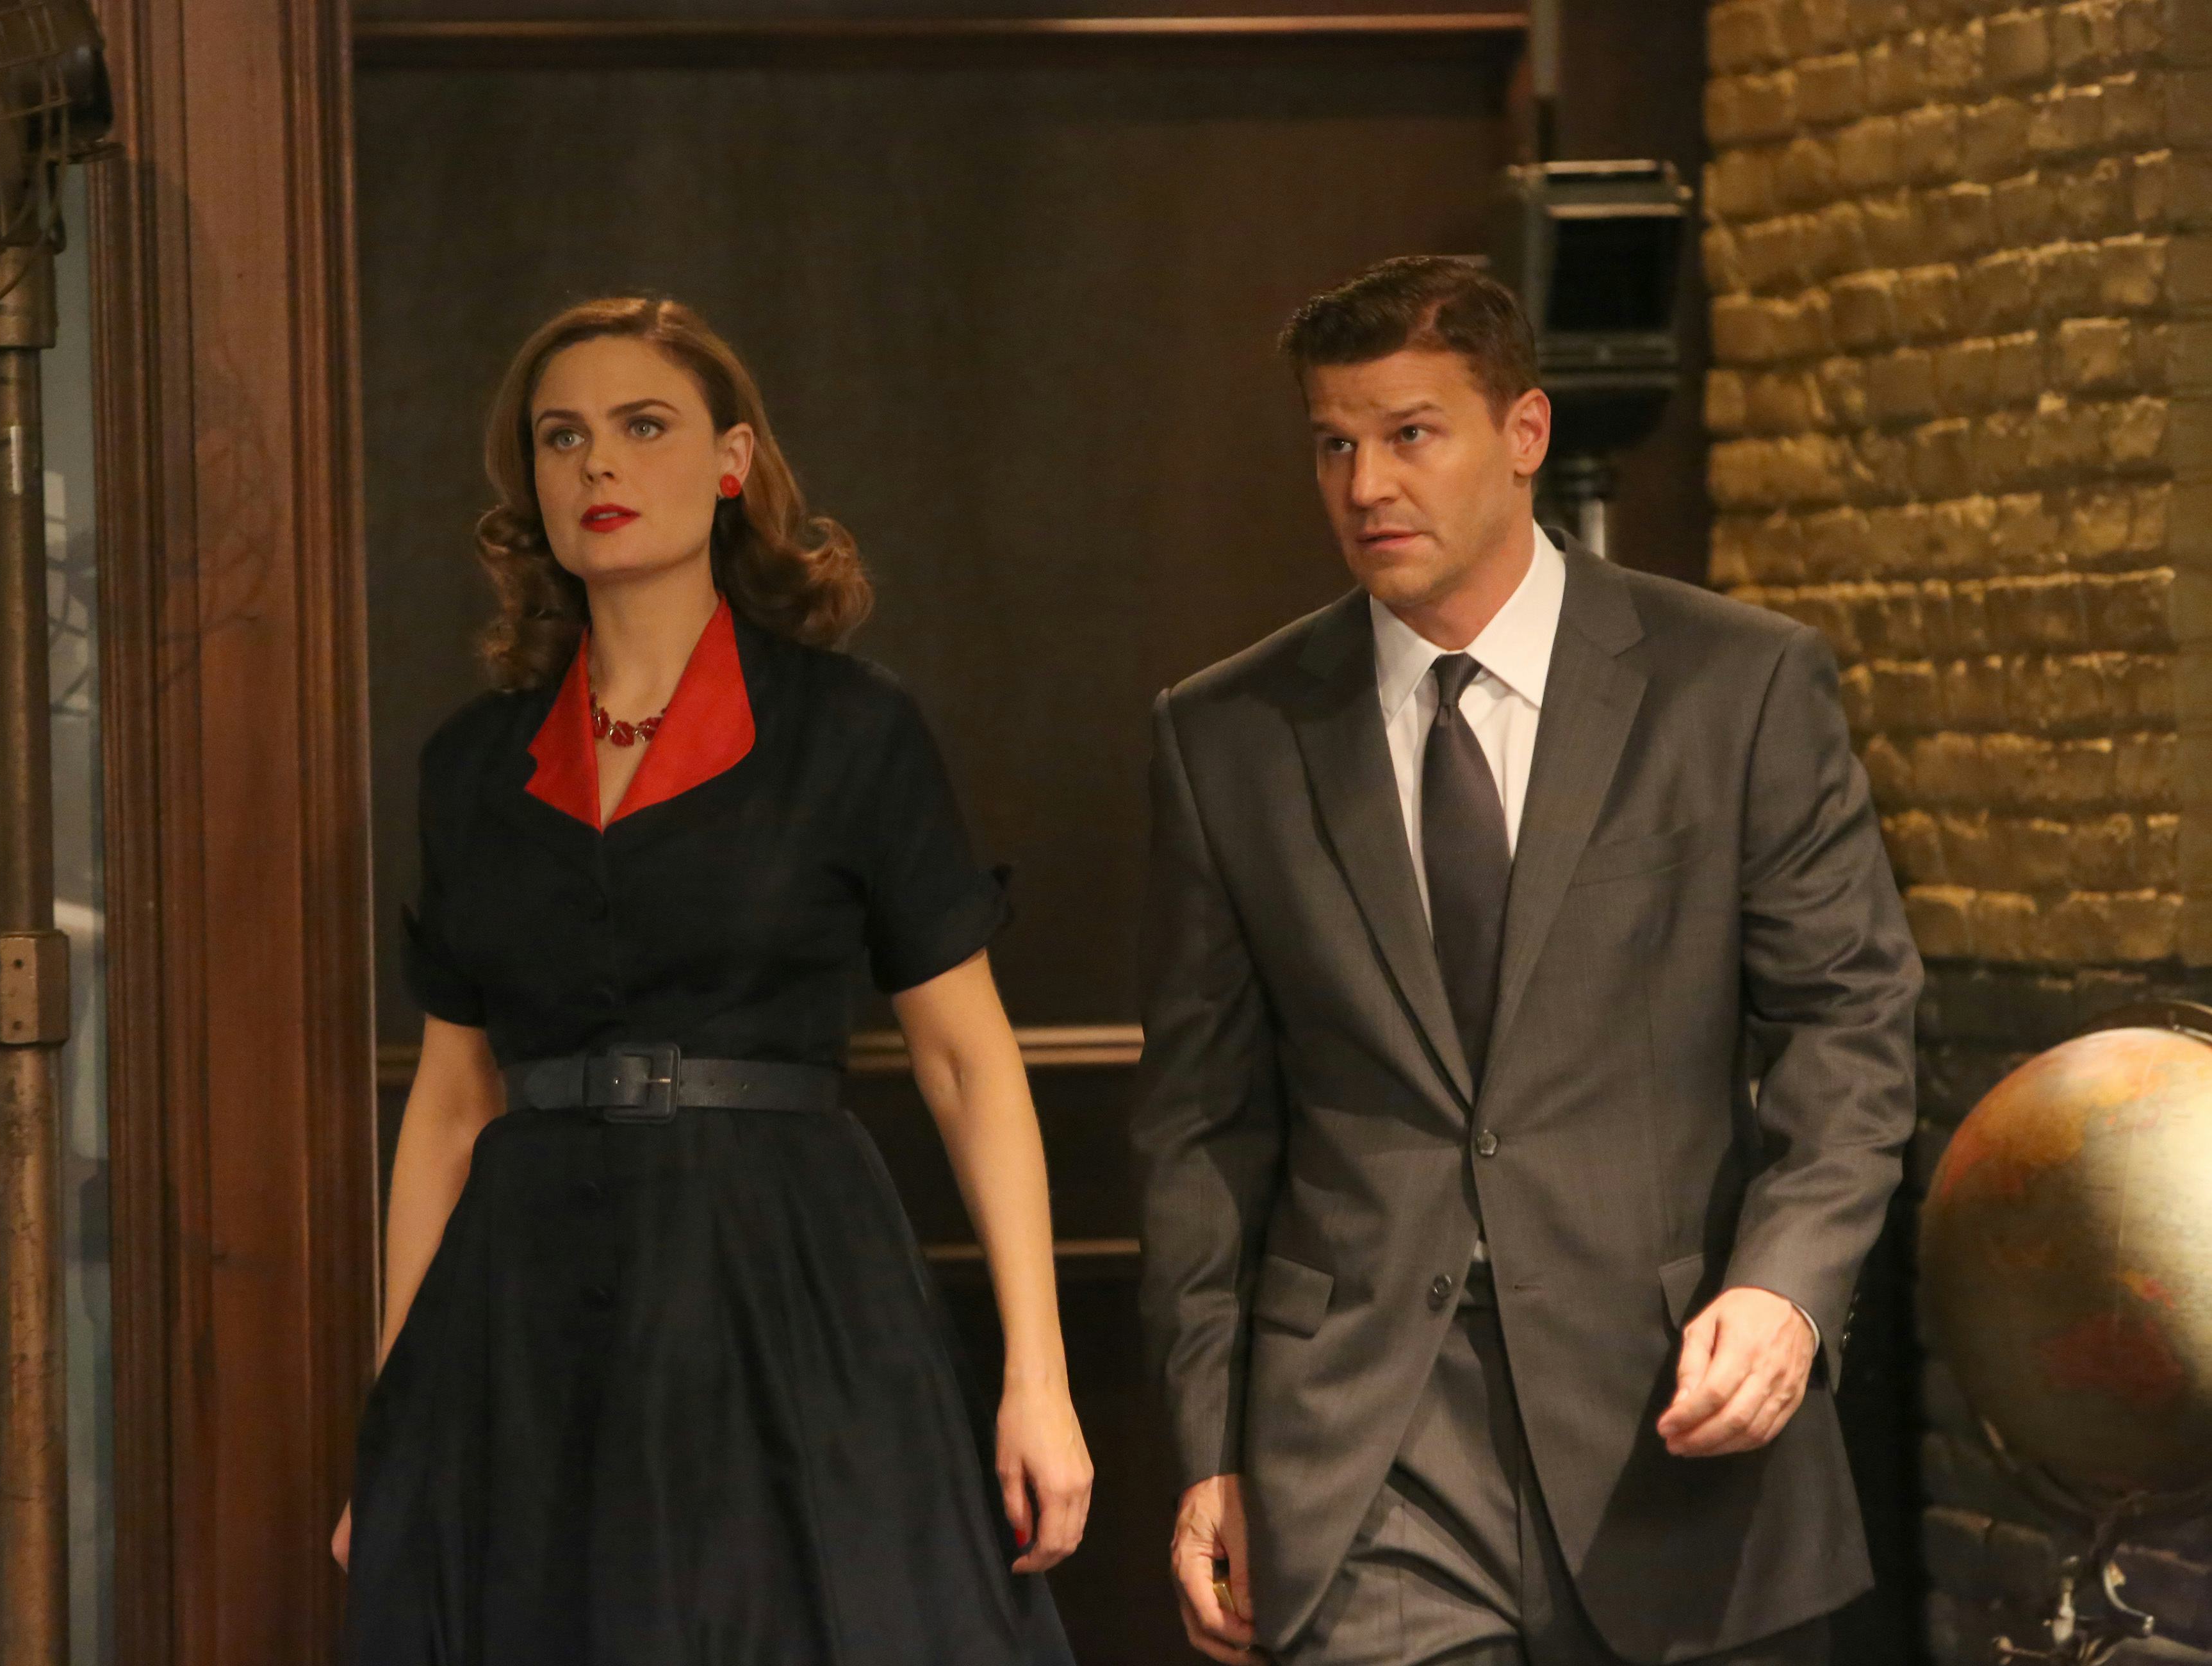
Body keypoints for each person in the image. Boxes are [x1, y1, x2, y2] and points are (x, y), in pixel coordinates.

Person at [1133, 256, 1921, 1665]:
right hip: (1367, 1440)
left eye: (1410, 434)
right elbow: (1202, 1123)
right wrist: (1210, 1446)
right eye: (1334, 444)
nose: (1367, 484)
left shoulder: (1737, 685)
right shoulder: (1227, 736)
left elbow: (1848, 1023)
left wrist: (1787, 1286)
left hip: (1672, 1410)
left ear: (1525, 432)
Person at [336, 295, 1089, 1665]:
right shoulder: (472, 766)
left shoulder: (850, 730)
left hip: (779, 1283)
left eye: (644, 426)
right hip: (526, 1305)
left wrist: (1038, 1377)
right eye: (561, 437)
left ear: (732, 461)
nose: (598, 464)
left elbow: (968, 1061)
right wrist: (398, 1414)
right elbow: (451, 1101)